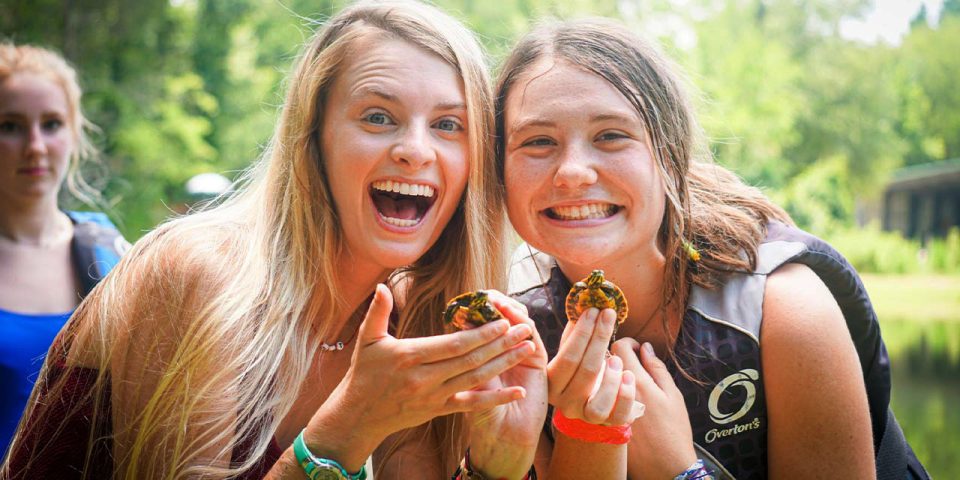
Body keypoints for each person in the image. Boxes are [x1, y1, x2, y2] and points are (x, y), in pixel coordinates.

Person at [2, 2, 547, 478]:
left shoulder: (409, 321)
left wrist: (494, 467)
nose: (415, 149)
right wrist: (349, 425)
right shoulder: (200, 273)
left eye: (449, 125)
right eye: (378, 117)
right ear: (314, 138)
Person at [497, 19, 929, 479]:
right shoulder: (515, 329)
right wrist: (588, 435)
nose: (574, 172)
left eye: (611, 135)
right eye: (538, 141)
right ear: (498, 169)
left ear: (670, 154)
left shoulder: (784, 310)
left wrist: (682, 473)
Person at [0, 43, 127, 454]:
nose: (35, 146)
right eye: (11, 126)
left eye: (51, 124)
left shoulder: (112, 252)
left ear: (74, 134)